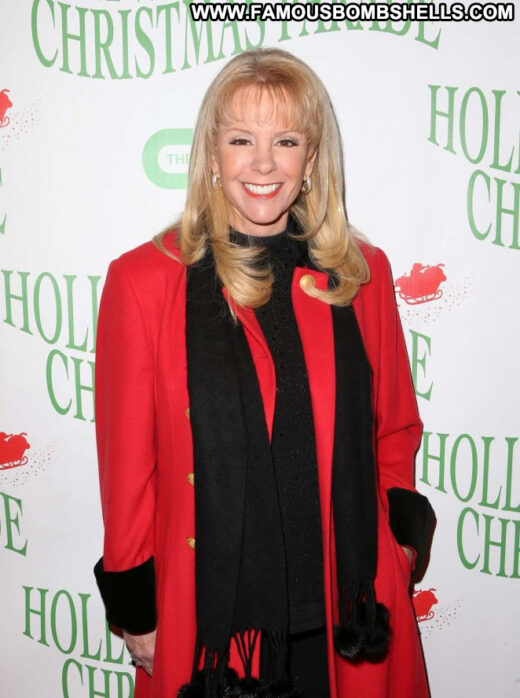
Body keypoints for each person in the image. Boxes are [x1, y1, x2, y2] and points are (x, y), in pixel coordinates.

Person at [93, 47, 436, 698]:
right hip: (211, 617)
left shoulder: (361, 275)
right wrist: (137, 607)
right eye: (240, 139)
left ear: (311, 158)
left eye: (285, 140)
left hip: (350, 609)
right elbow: (127, 470)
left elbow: (395, 428)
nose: (263, 163)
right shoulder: (143, 282)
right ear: (211, 154)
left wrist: (398, 545)